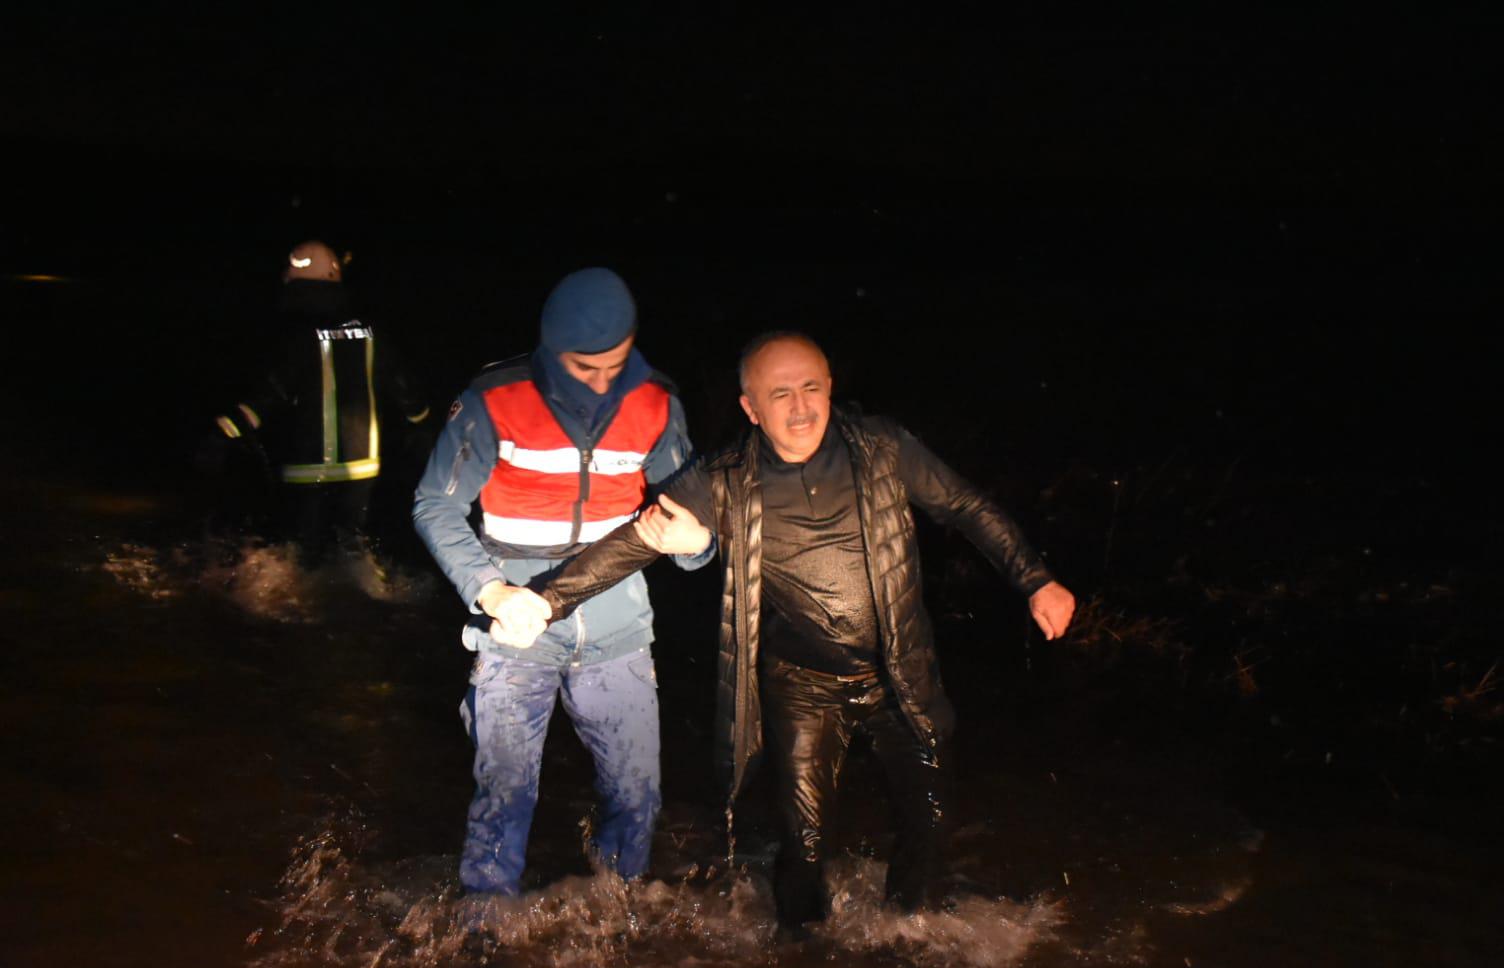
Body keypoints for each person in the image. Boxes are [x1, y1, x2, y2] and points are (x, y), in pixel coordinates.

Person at [522, 332, 1076, 930]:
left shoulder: (884, 448)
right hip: (803, 688)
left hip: (900, 673)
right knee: (806, 843)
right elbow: (635, 543)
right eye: (780, 394)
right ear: (751, 408)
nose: (801, 407)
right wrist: (545, 602)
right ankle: (798, 953)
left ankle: (908, 939)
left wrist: (1036, 580)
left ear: (830, 388)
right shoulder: (722, 479)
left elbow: (965, 506)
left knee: (932, 822)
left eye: (811, 388)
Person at [412, 267, 711, 895]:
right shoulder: (494, 399)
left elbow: (690, 517)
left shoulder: (657, 402)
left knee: (637, 794)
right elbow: (435, 505)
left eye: (615, 366)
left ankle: (618, 912)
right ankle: (484, 926)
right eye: (583, 367)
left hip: (619, 622)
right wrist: (490, 591)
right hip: (515, 621)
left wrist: (699, 545)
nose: (602, 384)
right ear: (550, 348)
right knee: (505, 795)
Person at [211, 240, 432, 564]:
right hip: (361, 468)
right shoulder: (370, 333)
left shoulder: (294, 337)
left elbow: (267, 398)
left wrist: (223, 433)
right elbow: (405, 388)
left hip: (304, 469)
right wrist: (422, 427)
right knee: (354, 549)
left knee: (303, 555)